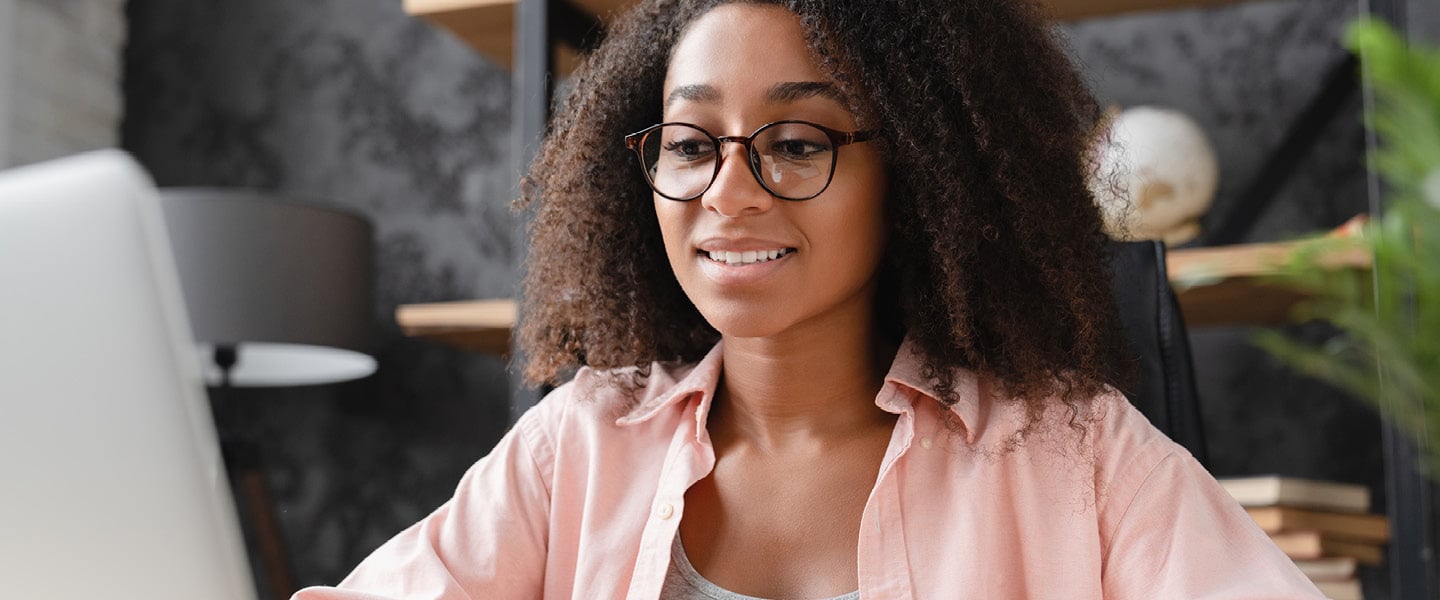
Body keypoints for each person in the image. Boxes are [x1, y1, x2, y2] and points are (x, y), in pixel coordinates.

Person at [295, 1, 1325, 598]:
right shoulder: (584, 443)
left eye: (796, 143)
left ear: (922, 175)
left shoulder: (1076, 456)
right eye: (692, 145)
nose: (726, 193)